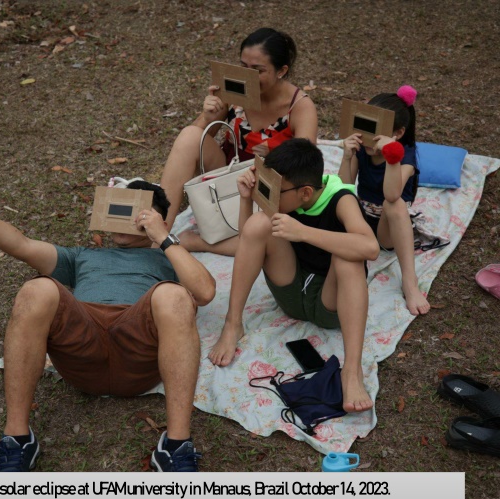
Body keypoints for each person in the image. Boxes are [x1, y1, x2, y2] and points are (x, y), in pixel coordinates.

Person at [0, 179, 215, 472]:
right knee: (35, 290)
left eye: (139, 212)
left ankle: (176, 446)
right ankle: (17, 438)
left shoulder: (170, 257)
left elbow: (204, 292)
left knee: (175, 295)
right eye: (120, 209)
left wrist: (164, 238)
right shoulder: (82, 256)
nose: (129, 219)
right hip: (83, 347)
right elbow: (21, 246)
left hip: (138, 347)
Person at [208, 138, 379, 413]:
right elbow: (249, 239)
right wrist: (245, 199)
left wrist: (303, 232)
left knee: (350, 256)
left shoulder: (341, 199)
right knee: (261, 222)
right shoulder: (287, 197)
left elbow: (370, 248)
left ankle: (352, 369)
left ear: (305, 192)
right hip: (291, 292)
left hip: (331, 303)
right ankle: (233, 323)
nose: (272, 195)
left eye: (278, 190)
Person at [160, 27, 318, 255]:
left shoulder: (300, 107)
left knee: (273, 242)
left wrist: (277, 154)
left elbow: (307, 165)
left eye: (258, 70)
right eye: (243, 67)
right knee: (189, 135)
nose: (248, 76)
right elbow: (192, 145)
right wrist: (207, 117)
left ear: (281, 71)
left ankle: (197, 243)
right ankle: (159, 231)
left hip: (271, 190)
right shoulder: (234, 88)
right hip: (229, 176)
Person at [339, 85, 429, 316]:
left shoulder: (406, 155)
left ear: (397, 134)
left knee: (394, 204)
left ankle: (410, 281)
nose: (367, 137)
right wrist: (347, 156)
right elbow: (344, 188)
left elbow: (391, 195)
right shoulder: (362, 149)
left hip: (386, 229)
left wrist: (391, 157)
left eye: (374, 131)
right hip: (359, 222)